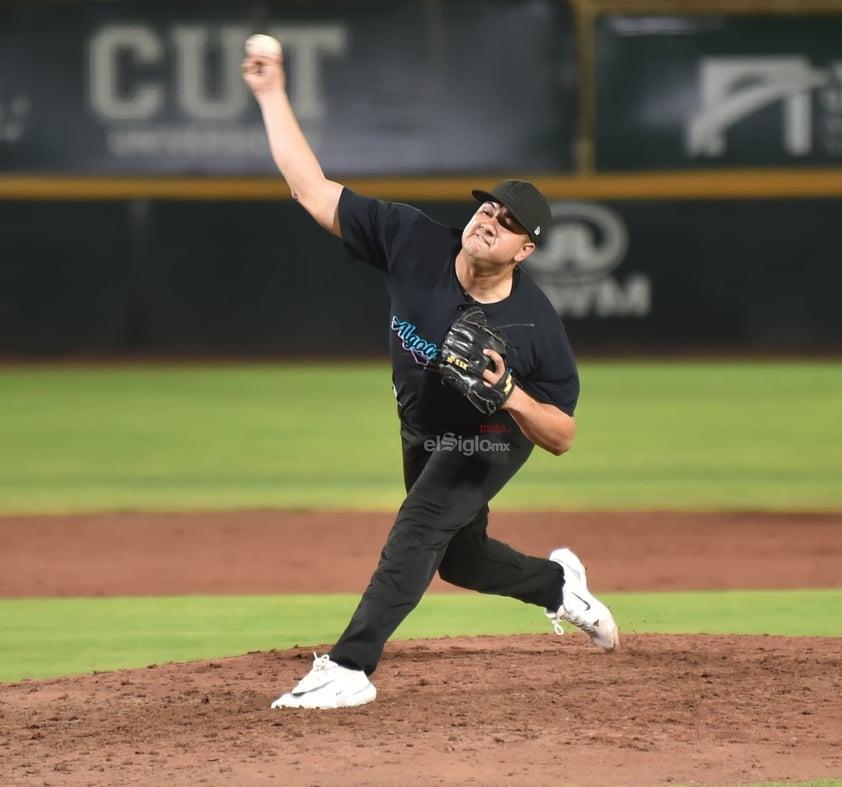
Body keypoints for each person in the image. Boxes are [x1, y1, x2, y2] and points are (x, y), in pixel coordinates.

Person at [242, 41, 618, 710]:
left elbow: (561, 432)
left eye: (506, 224)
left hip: (489, 430)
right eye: (487, 208)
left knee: (417, 525)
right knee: (460, 559)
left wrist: (508, 393)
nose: (488, 222)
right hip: (421, 423)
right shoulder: (413, 239)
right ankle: (562, 587)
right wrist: (271, 94)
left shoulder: (536, 329)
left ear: (525, 249)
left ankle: (351, 666)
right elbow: (310, 188)